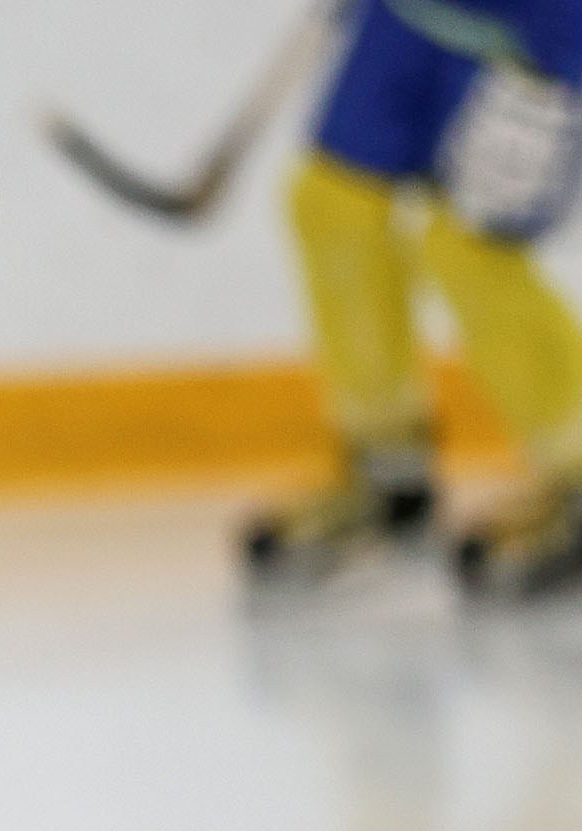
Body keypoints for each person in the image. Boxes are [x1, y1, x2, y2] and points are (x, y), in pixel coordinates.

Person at [246, 0, 582, 595]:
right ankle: (388, 470)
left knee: (469, 248)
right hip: (411, 14)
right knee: (333, 204)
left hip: (541, 25)